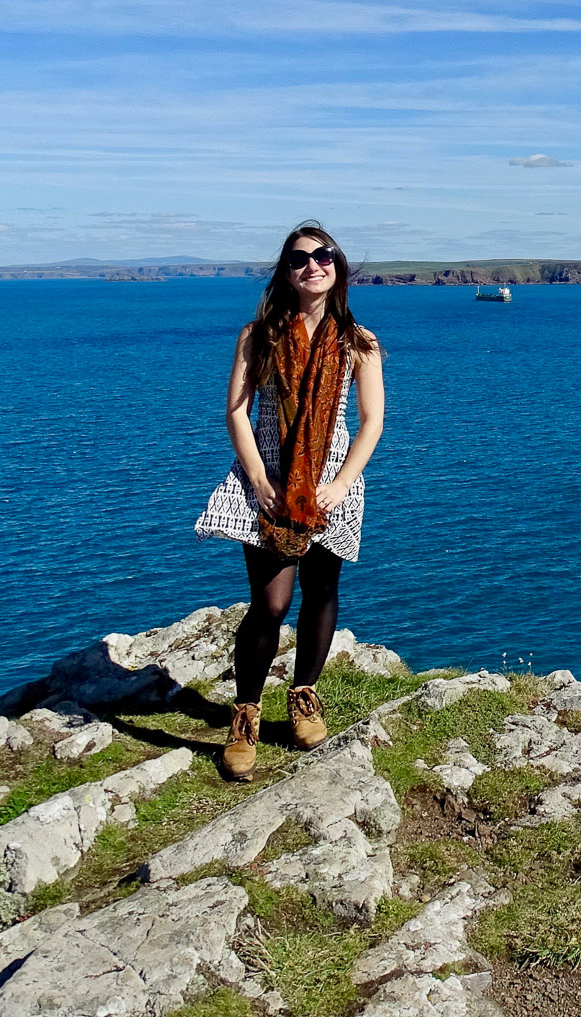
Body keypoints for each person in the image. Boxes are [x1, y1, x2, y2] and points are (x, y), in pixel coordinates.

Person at [193, 222, 383, 779]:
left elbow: (371, 421)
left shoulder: (359, 341)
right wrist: (257, 477)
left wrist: (343, 481)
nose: (313, 266)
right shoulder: (259, 335)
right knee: (271, 605)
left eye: (324, 256)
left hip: (332, 483)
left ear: (338, 265)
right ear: (286, 270)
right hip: (270, 481)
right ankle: (245, 717)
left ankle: (303, 697)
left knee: (322, 591)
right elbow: (237, 410)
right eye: (300, 259)